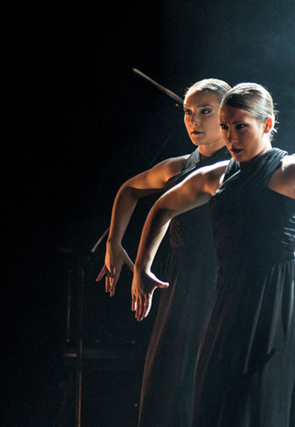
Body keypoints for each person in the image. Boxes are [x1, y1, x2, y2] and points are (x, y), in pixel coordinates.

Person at [130, 83, 295, 426]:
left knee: (262, 400)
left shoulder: (292, 171)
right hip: (230, 298)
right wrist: (141, 266)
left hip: (279, 300)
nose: (231, 137)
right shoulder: (214, 177)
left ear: (266, 124)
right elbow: (162, 207)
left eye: (241, 126)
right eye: (225, 128)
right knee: (215, 398)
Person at [96, 78, 231, 427]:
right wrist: (114, 243)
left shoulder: (239, 166)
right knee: (171, 379)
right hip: (179, 282)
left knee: (212, 378)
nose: (194, 121)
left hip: (222, 281)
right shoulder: (178, 167)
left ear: (225, 115)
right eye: (188, 112)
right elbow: (129, 189)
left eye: (205, 112)